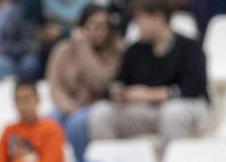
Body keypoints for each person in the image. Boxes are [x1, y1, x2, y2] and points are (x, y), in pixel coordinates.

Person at [87, 0, 210, 146]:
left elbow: (193, 88)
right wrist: (121, 94)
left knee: (172, 113)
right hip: (144, 110)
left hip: (186, 107)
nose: (137, 24)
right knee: (101, 113)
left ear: (159, 18)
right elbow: (118, 82)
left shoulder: (190, 47)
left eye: (140, 18)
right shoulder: (135, 50)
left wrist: (150, 94)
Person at [45, 4, 121, 161]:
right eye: (95, 27)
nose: (101, 32)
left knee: (76, 124)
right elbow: (55, 85)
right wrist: (67, 105)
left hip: (96, 107)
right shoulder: (63, 49)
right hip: (68, 106)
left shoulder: (114, 52)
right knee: (48, 122)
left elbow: (100, 83)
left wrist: (84, 47)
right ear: (82, 27)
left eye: (104, 27)